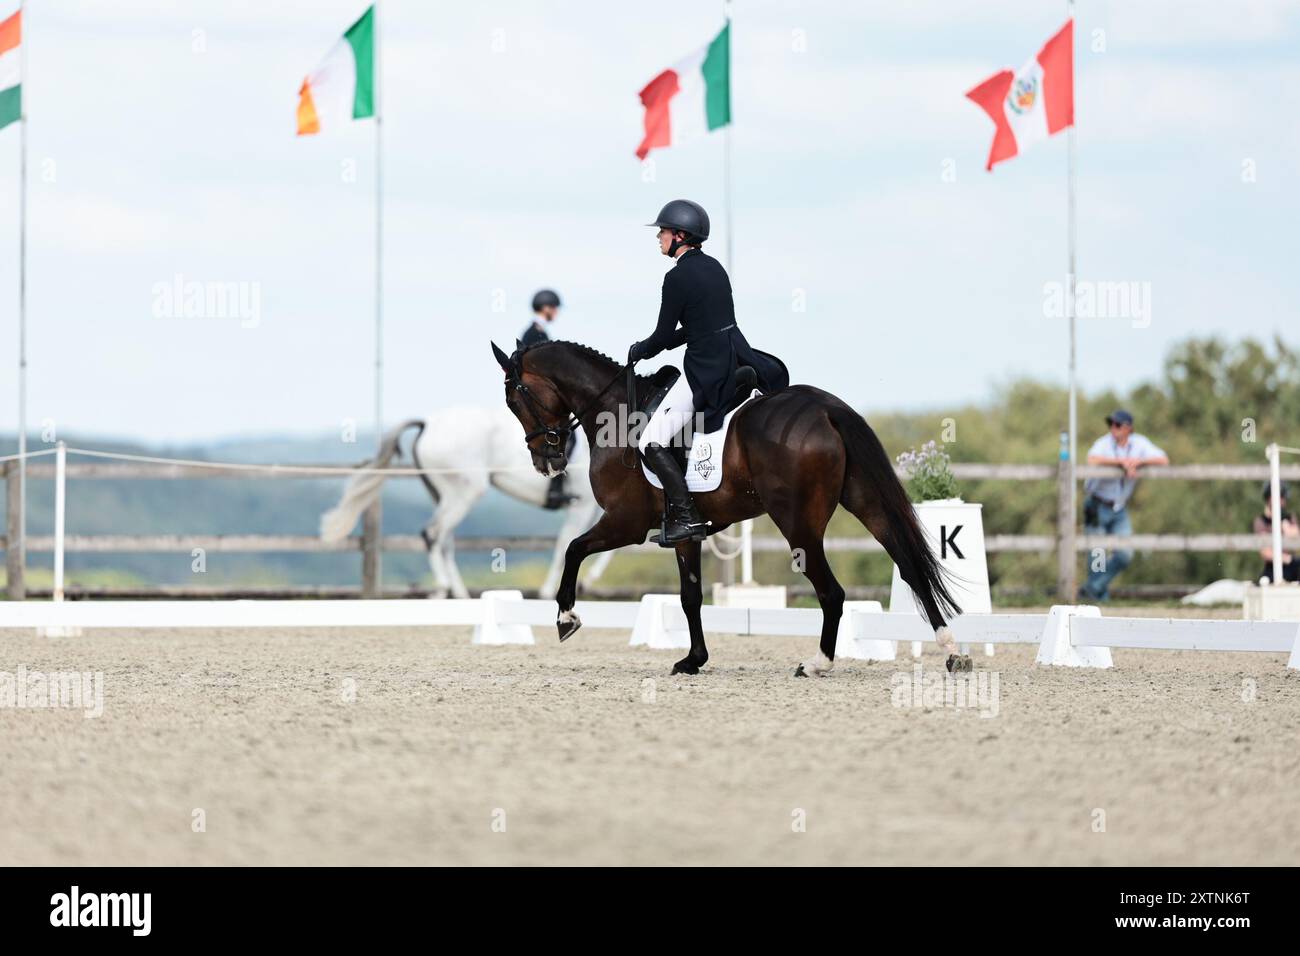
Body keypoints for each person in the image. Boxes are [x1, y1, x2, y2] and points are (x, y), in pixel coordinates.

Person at [627, 199, 789, 546]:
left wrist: (640, 350)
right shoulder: (715, 268)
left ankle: (686, 518)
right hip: (736, 355)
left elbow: (660, 335)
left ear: (680, 235)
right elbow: (701, 324)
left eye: (663, 232)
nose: (659, 238)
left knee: (649, 440)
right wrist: (669, 342)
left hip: (705, 368)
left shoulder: (676, 278)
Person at [1080, 409, 1169, 601]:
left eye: (1118, 425)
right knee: (1098, 556)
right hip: (1096, 504)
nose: (1113, 428)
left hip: (1119, 507)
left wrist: (1138, 462)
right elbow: (1092, 460)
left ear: (1129, 428)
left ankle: (1090, 590)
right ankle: (1098, 599)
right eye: (1111, 424)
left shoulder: (1139, 443)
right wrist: (1121, 463)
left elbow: (1163, 460)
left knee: (1125, 554)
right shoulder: (1103, 444)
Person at [521, 289, 572, 508]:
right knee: (567, 435)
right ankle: (555, 488)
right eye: (555, 308)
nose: (557, 312)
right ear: (546, 308)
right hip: (536, 395)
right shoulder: (535, 333)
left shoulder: (538, 330)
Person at [1253, 481, 1299, 583]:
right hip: (1272, 568)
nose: (1284, 501)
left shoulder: (1289, 518)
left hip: (1292, 566)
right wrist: (1287, 558)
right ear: (1270, 498)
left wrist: (1283, 523)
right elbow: (1265, 552)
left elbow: (1295, 537)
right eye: (1281, 496)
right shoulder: (1261, 521)